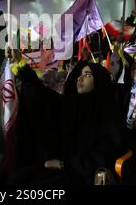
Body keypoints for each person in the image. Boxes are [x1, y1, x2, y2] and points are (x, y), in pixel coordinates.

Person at [7, 47, 124, 185]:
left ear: (99, 81)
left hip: (80, 174)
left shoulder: (106, 115)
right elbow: (42, 96)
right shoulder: (70, 105)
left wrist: (64, 164)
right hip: (58, 167)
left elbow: (104, 155)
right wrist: (21, 66)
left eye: (87, 74)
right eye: (80, 74)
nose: (80, 78)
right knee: (17, 178)